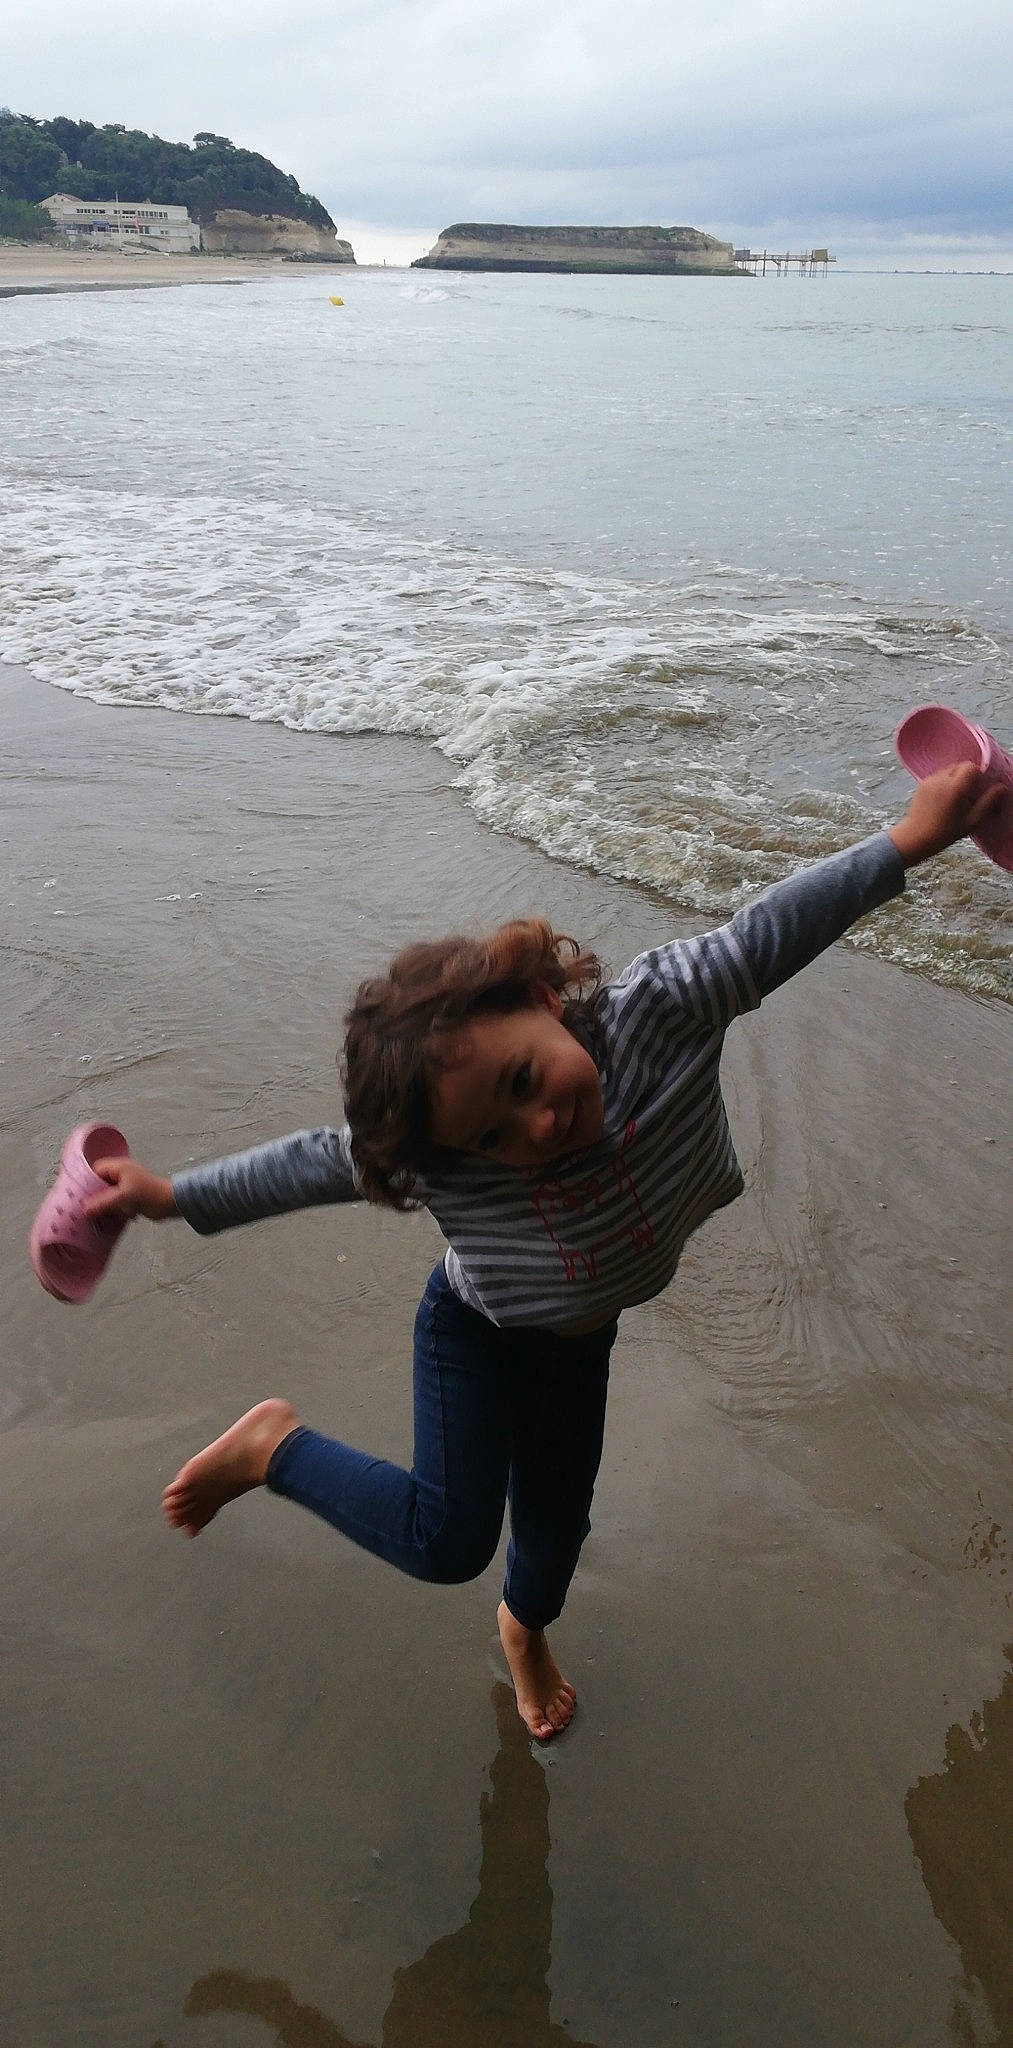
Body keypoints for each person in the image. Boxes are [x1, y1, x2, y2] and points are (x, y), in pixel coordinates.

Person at [87, 764, 1002, 1740]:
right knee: (446, 1542)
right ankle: (272, 1448)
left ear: (542, 996)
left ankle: (522, 1632)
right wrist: (169, 1197)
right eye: (493, 1135)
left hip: (576, 1349)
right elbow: (312, 1163)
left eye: (524, 1076)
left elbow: (770, 930)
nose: (536, 1125)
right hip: (472, 1331)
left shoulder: (660, 1010)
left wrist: (910, 839)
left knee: (556, 1534)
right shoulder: (442, 1157)